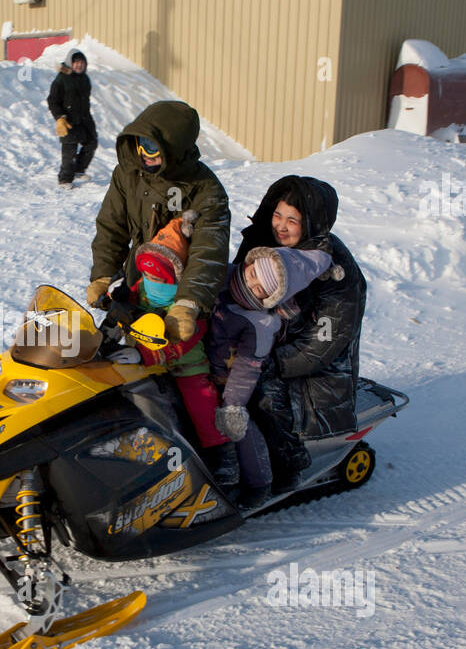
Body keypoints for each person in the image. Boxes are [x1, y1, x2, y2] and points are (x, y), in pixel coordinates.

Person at [232, 175, 365, 492]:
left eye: (293, 220)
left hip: (314, 372)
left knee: (259, 391)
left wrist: (268, 362)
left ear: (313, 223)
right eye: (278, 215)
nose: (281, 226)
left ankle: (286, 465)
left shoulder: (336, 273)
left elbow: (324, 342)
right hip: (266, 345)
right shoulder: (264, 245)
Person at [85, 100, 231, 350]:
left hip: (176, 294)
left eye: (152, 146)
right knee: (118, 354)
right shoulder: (127, 173)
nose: (143, 153)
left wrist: (187, 305)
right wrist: (104, 273)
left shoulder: (206, 190)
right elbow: (112, 227)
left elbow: (207, 255)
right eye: (139, 143)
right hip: (137, 282)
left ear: (174, 148)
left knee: (174, 362)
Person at [205, 245, 335, 505]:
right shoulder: (223, 277)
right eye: (252, 274)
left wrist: (233, 406)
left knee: (239, 426)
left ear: (270, 298)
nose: (248, 284)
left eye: (258, 289)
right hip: (196, 365)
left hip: (227, 380)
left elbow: (246, 368)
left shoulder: (260, 324)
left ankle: (259, 483)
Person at [107, 213, 230, 458]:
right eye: (147, 275)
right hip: (142, 356)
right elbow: (132, 299)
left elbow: (186, 340)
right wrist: (118, 297)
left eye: (157, 278)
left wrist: (145, 355)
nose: (150, 282)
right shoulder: (144, 287)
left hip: (186, 363)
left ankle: (220, 448)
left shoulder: (188, 305)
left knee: (200, 398)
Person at [47, 49, 97, 187]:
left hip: (84, 118)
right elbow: (52, 100)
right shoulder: (62, 79)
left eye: (82, 63)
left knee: (91, 143)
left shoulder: (85, 79)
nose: (79, 65)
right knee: (70, 150)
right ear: (71, 63)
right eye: (76, 63)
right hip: (67, 119)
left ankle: (78, 170)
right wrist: (59, 117)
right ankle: (65, 179)